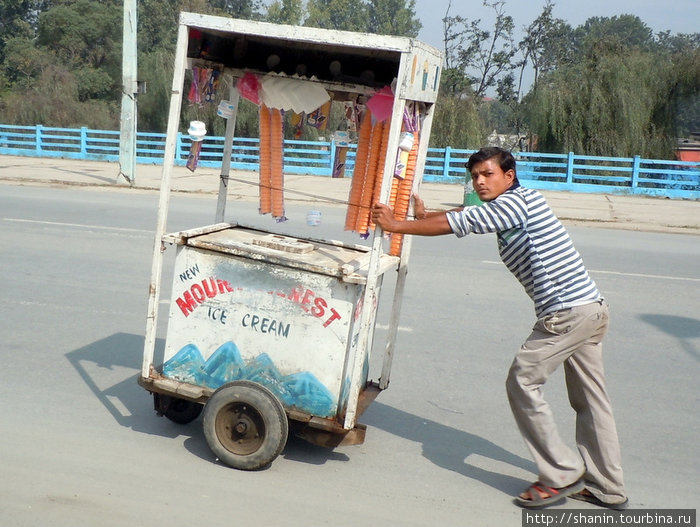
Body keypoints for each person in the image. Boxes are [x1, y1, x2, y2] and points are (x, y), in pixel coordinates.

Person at [371, 147, 628, 510]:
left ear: (509, 176)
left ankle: (560, 473)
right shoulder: (510, 206)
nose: (479, 181)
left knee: (522, 381)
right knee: (591, 400)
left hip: (567, 315)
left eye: (487, 174)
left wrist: (397, 225)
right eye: (475, 175)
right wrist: (425, 215)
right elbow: (466, 214)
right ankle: (608, 486)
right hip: (590, 310)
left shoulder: (517, 203)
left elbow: (459, 223)